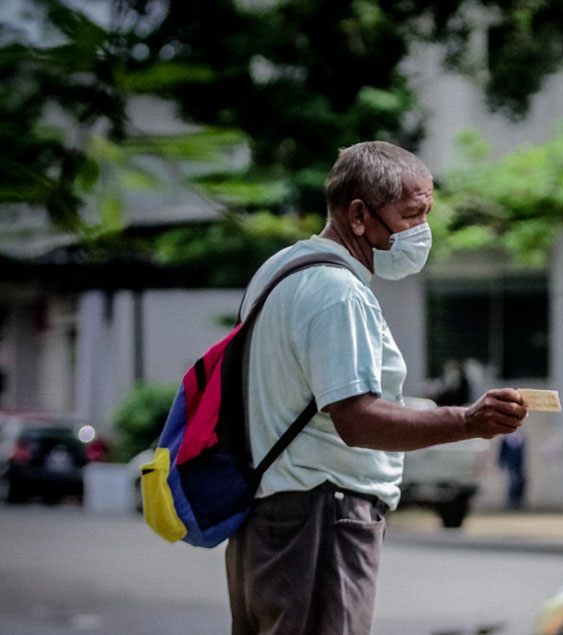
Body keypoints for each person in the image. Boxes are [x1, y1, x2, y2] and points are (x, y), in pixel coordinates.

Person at [225, 141, 528, 635]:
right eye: (411, 215)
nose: (422, 232)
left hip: (273, 512)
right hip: (322, 514)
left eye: (427, 214)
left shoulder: (280, 271)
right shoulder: (338, 293)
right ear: (359, 215)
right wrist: (468, 421)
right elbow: (357, 418)